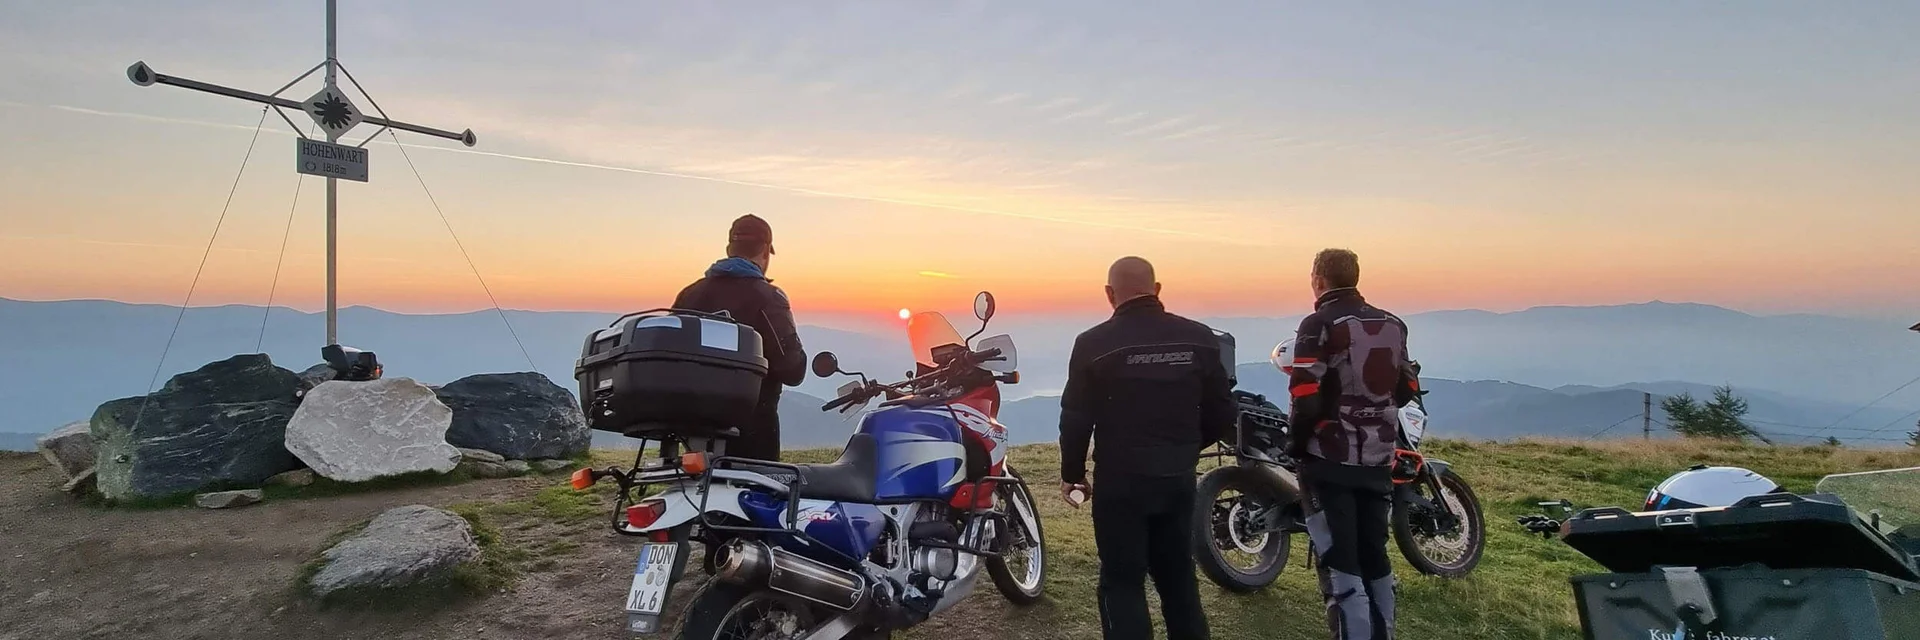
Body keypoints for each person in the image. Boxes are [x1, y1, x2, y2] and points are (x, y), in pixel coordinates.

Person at [1059, 256, 1235, 640]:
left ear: (1109, 294)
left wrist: (1073, 474)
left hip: (1120, 480)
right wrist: (1186, 446)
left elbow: (1075, 418)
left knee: (1122, 580)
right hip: (1177, 477)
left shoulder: (1092, 344)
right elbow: (1224, 412)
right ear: (1157, 290)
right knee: (1177, 577)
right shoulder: (1199, 337)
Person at [1286, 248, 1418, 640]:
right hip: (1378, 459)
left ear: (1319, 279)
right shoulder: (1394, 324)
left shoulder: (1318, 324)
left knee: (1339, 560)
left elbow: (1305, 392)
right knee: (1374, 555)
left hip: (1328, 458)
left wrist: (1295, 443)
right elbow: (1407, 387)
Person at [672, 214, 806, 461]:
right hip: (753, 430)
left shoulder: (688, 295)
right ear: (765, 251)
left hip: (694, 430)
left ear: (728, 249)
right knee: (760, 497)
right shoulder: (769, 297)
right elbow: (792, 369)